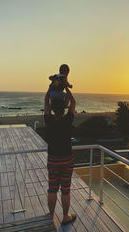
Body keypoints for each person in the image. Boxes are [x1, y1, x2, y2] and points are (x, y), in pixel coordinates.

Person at [44, 86, 77, 225]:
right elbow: (73, 102)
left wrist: (51, 87)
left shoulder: (49, 120)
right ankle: (65, 217)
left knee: (52, 189)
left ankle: (51, 216)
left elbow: (46, 101)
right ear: (64, 107)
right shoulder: (67, 119)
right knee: (65, 190)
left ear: (52, 108)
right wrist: (66, 86)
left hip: (53, 159)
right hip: (67, 159)